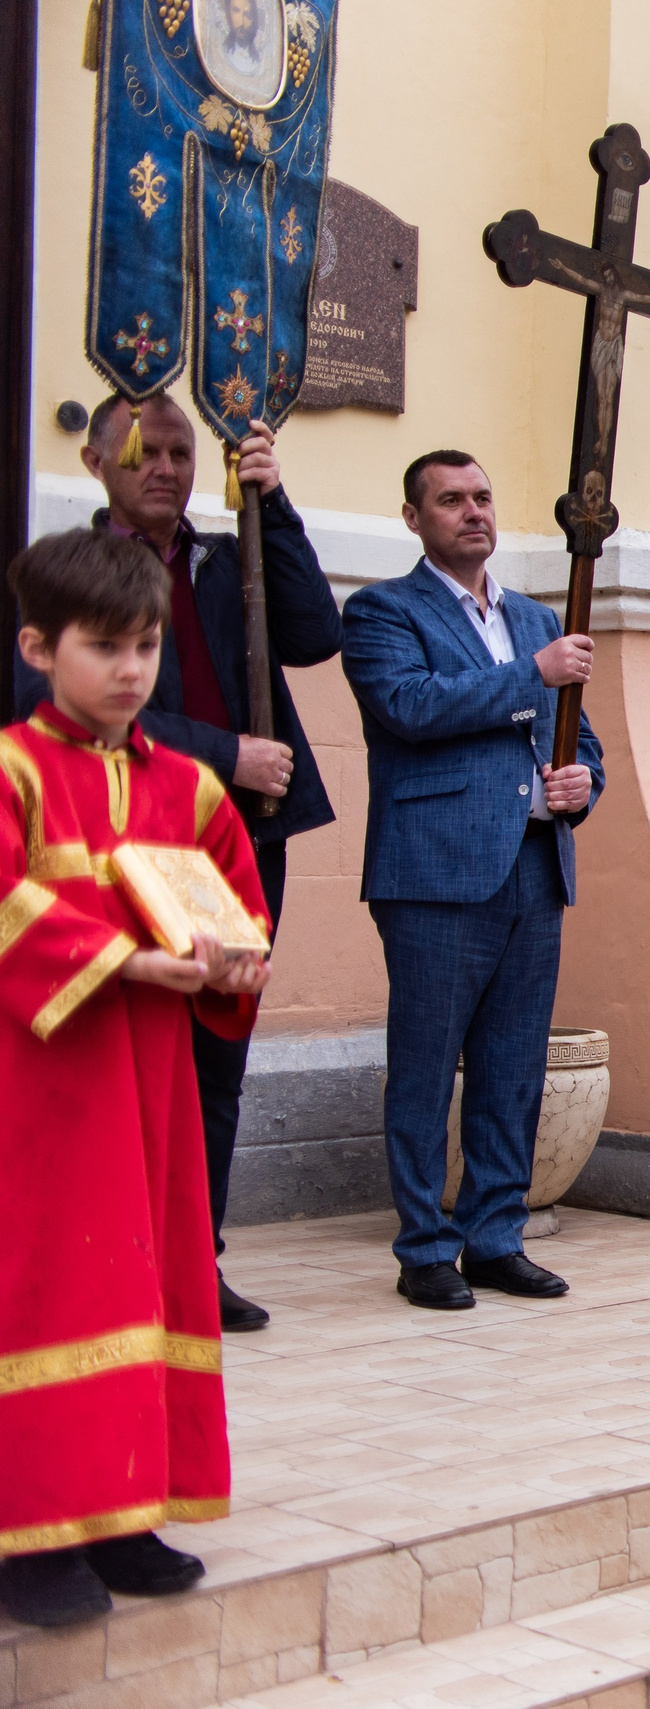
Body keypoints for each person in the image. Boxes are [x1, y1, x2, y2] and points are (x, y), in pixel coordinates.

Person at [13, 398, 341, 1334]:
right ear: (93, 458)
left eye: (181, 452)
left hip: (223, 837)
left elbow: (314, 632)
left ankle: (195, 1254)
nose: (164, 467)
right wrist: (221, 750)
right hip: (111, 835)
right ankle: (101, 1254)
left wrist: (270, 502)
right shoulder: (62, 579)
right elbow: (59, 702)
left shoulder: (227, 551)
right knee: (112, 1056)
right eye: (142, 451)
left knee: (215, 1057)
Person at [0, 530, 270, 1627]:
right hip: (45, 1086)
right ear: (36, 646)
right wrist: (120, 957)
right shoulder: (13, 769)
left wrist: (233, 955)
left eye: (147, 646)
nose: (131, 669)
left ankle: (121, 1504)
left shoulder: (191, 785)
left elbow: (236, 903)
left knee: (146, 1272)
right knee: (50, 1281)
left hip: (150, 1084)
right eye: (104, 646)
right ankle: (29, 1531)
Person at [340, 451, 604, 1312]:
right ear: (415, 518)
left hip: (534, 865)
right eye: (450, 500)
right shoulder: (382, 611)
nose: (473, 512)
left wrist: (581, 785)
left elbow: (581, 738)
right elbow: (413, 708)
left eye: (484, 496)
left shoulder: (534, 617)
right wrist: (533, 675)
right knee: (424, 1066)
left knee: (512, 1067)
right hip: (434, 874)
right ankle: (424, 1246)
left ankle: (496, 1236)